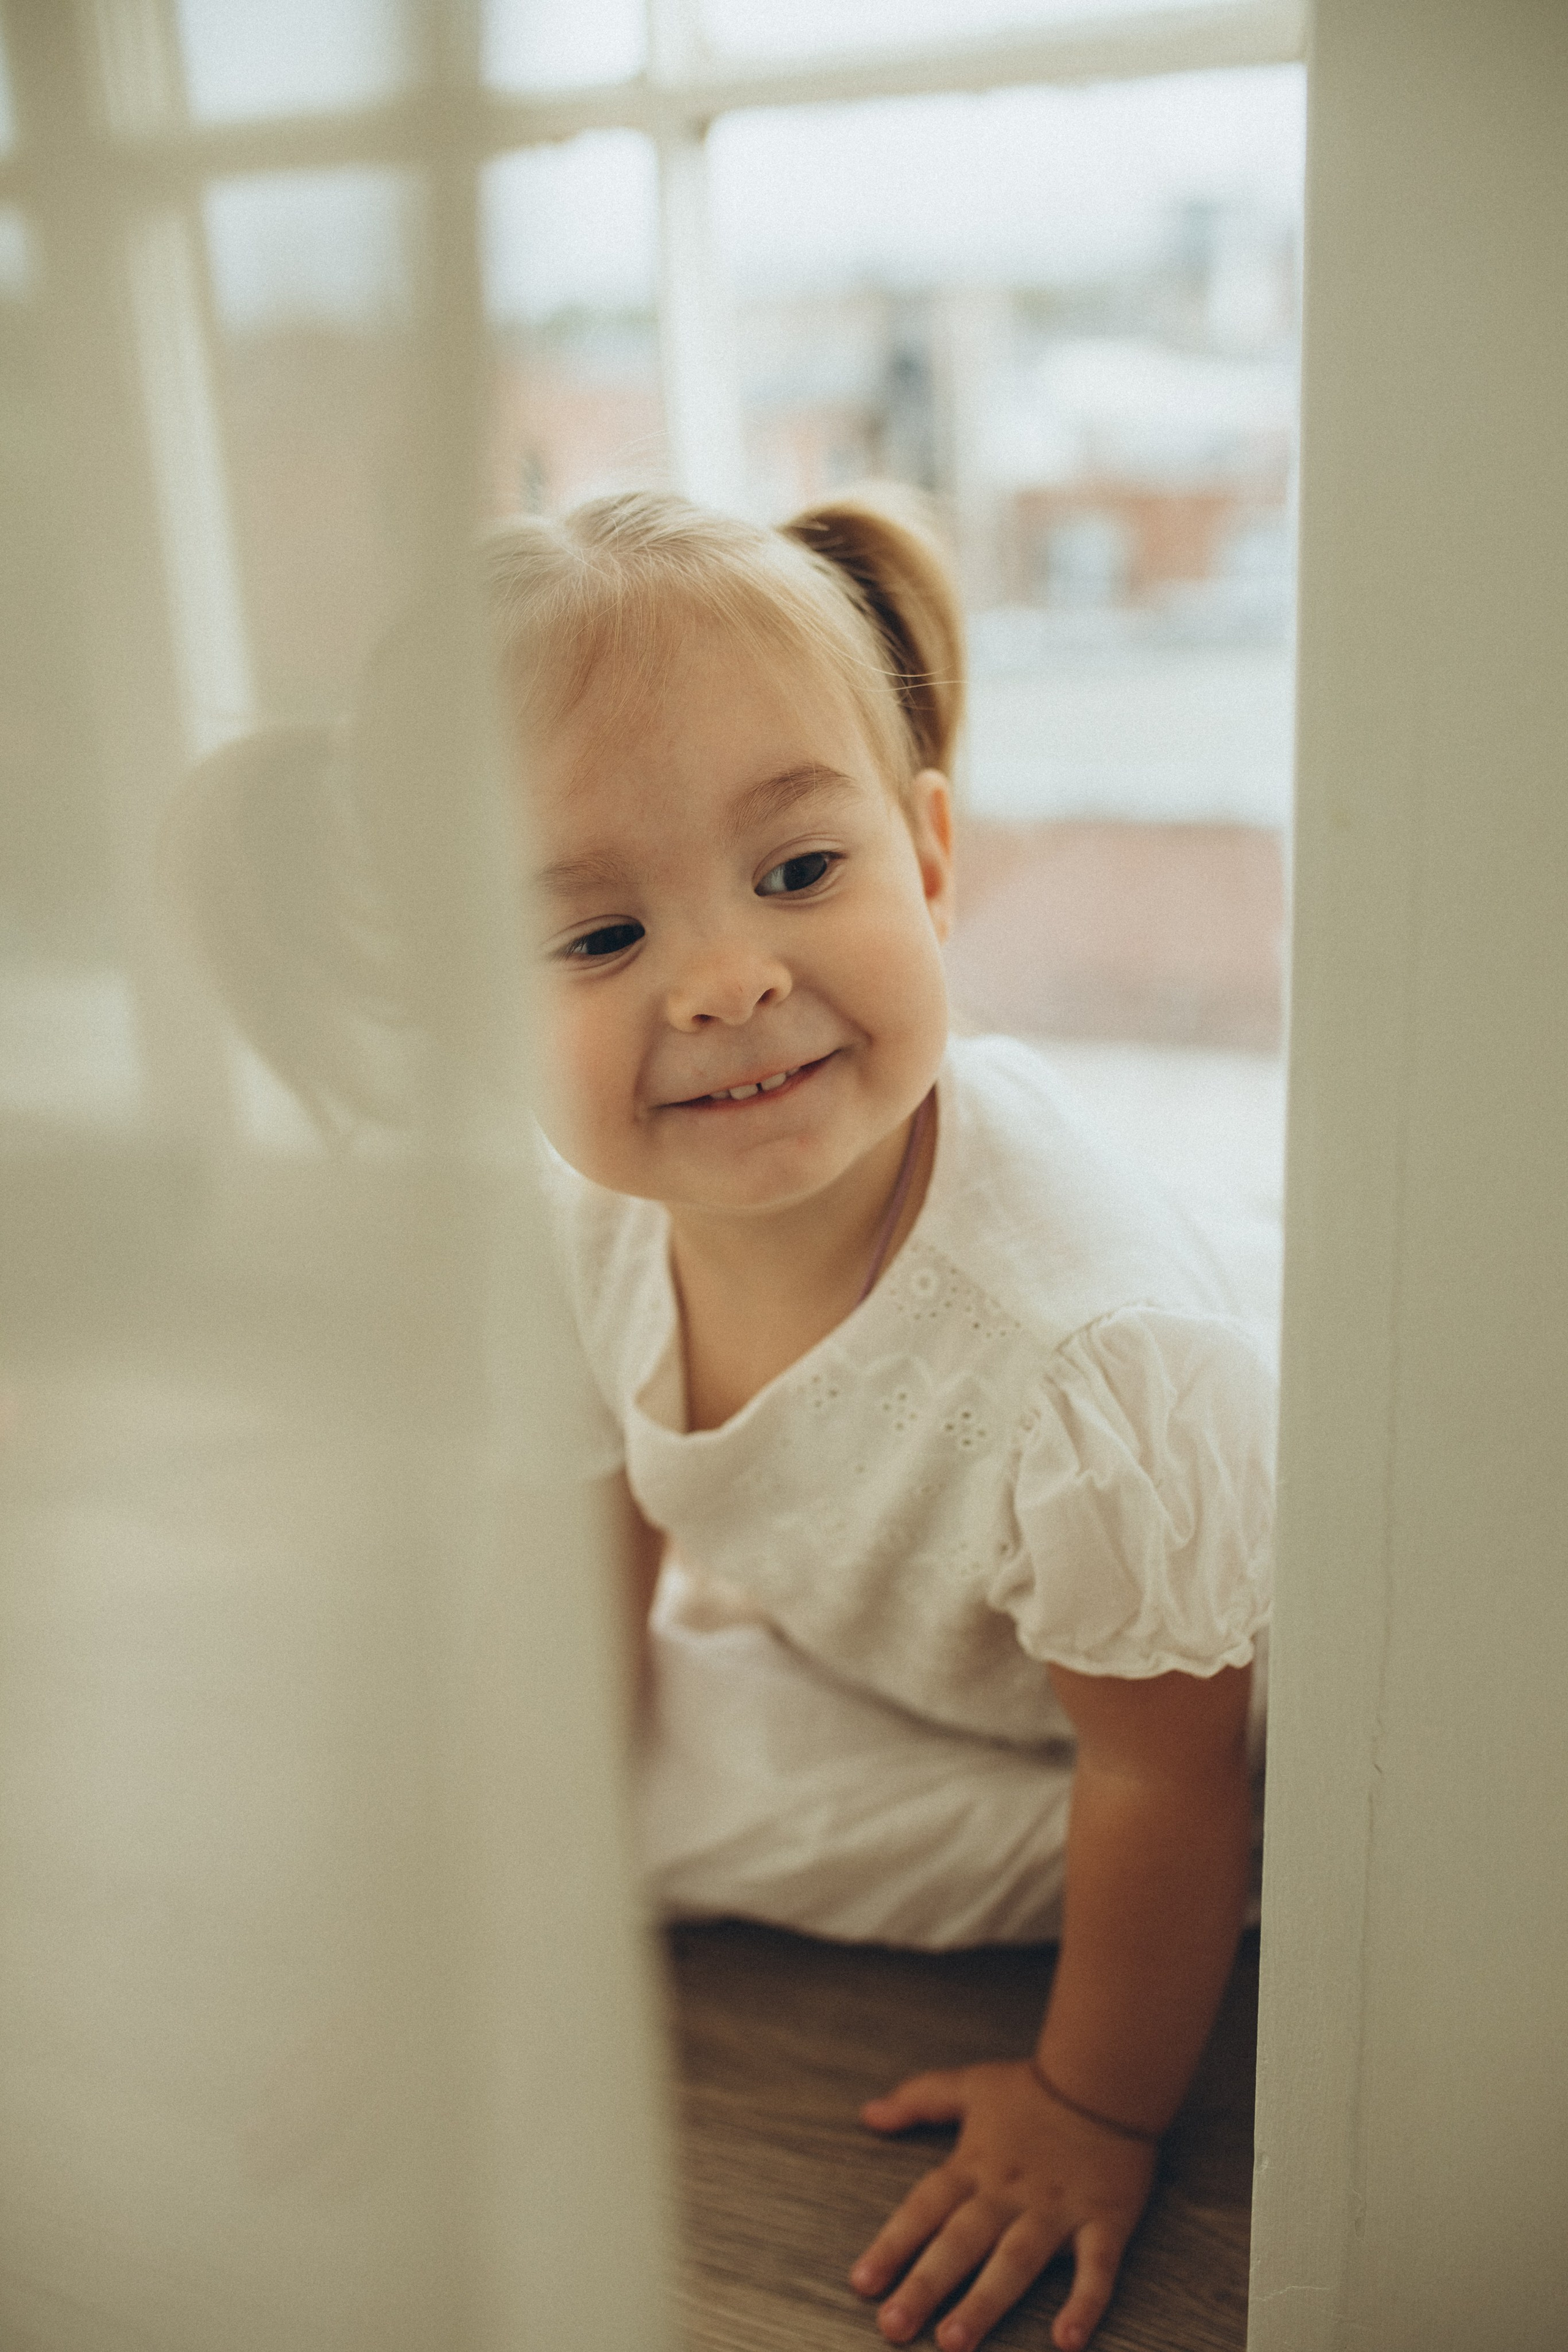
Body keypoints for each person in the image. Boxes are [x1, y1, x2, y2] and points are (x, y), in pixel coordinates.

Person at [179, 483, 1274, 2352]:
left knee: (1208, 1853)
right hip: (936, 1653)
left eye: (795, 874)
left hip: (1205, 1731)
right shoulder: (588, 1229)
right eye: (595, 940)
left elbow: (1171, 1771)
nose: (725, 978)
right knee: (545, 1774)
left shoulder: (1090, 1359)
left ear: (928, 859)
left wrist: (1093, 2111)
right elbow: (574, 1575)